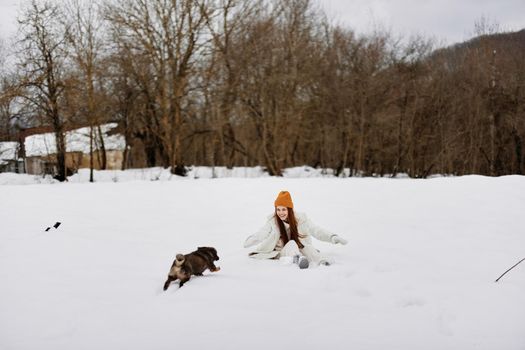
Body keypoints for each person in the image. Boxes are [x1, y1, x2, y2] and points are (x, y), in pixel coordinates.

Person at [243, 190, 347, 269]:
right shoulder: (273, 221)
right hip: (282, 251)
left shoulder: (301, 219)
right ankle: (298, 259)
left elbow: (316, 230)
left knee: (307, 248)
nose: (281, 212)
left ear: (290, 209)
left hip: (300, 247)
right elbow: (263, 232)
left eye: (284, 209)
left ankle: (322, 261)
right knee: (292, 243)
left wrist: (332, 237)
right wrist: (252, 240)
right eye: (278, 209)